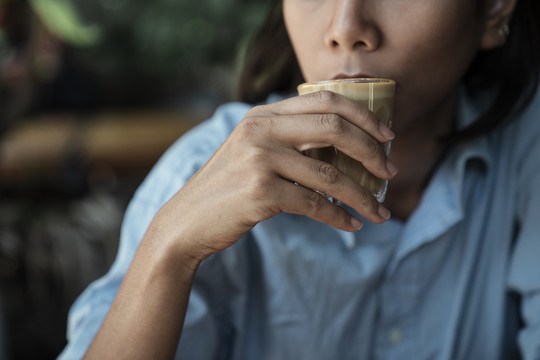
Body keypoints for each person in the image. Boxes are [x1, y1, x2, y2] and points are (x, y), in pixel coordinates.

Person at [59, 0, 540, 358]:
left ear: (494, 9)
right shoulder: (201, 173)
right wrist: (168, 249)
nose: (346, 28)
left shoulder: (527, 151)